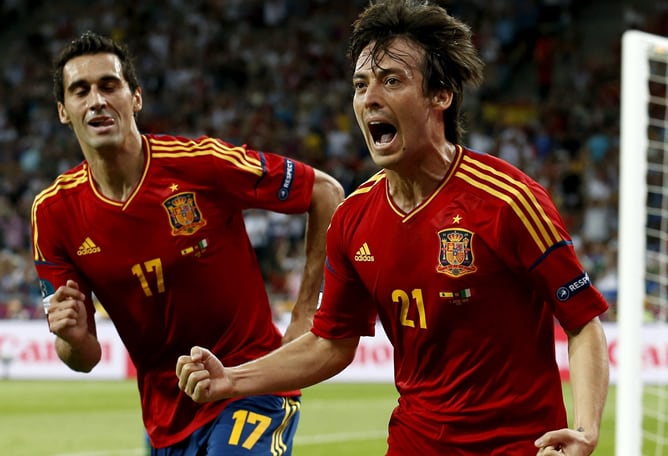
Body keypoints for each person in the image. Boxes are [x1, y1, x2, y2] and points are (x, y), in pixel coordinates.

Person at [175, 1, 610, 455]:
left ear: (440, 95)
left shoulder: (508, 201)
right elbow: (331, 344)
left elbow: (581, 322)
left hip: (518, 447)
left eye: (392, 80)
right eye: (361, 84)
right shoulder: (352, 219)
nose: (369, 98)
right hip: (412, 443)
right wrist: (232, 380)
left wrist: (584, 431)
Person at [30, 31, 344, 455]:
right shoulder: (52, 213)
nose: (97, 100)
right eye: (80, 91)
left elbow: (325, 191)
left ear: (135, 98)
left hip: (250, 385)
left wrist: (306, 313)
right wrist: (69, 335)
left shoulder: (200, 165)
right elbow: (84, 357)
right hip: (165, 418)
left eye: (109, 85)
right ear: (64, 112)